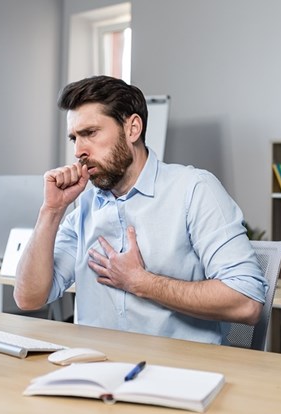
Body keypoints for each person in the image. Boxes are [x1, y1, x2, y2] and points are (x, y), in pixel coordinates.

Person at [13, 75, 266, 345]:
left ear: (133, 128)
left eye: (90, 133)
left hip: (180, 374)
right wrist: (51, 211)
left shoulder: (193, 190)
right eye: (74, 138)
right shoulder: (84, 207)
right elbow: (29, 298)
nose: (78, 150)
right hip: (95, 370)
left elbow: (246, 302)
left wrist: (141, 282)